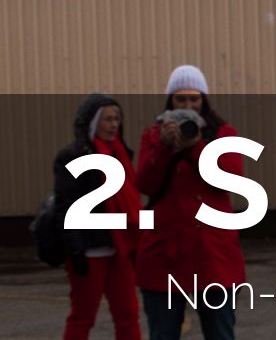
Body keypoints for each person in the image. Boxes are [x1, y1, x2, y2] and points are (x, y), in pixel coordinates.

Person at [135, 65, 245, 340]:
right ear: (170, 101)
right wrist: (163, 148)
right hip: (164, 254)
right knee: (163, 334)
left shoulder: (222, 133)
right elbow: (144, 184)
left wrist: (195, 146)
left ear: (203, 100)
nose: (187, 106)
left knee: (221, 334)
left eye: (194, 99)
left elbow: (232, 179)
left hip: (212, 254)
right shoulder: (153, 135)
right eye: (180, 99)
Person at [53, 93, 142, 340]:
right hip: (90, 251)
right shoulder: (73, 156)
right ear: (92, 122)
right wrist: (75, 249)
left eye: (117, 119)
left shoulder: (121, 155)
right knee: (83, 316)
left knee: (128, 315)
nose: (114, 125)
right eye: (107, 119)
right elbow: (65, 207)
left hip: (121, 248)